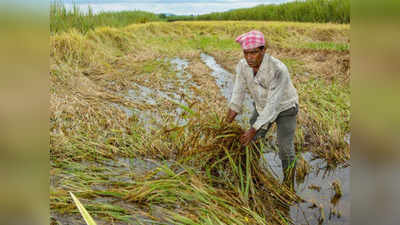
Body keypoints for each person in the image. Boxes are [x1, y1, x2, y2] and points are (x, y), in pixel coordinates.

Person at [225, 30, 299, 188]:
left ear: (263, 50)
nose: (249, 57)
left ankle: (288, 184)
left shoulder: (278, 69)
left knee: (285, 148)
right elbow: (238, 92)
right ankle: (252, 175)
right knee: (252, 144)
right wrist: (228, 120)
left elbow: (273, 105)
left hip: (285, 108)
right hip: (261, 106)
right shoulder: (243, 66)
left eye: (254, 53)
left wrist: (253, 129)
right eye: (246, 53)